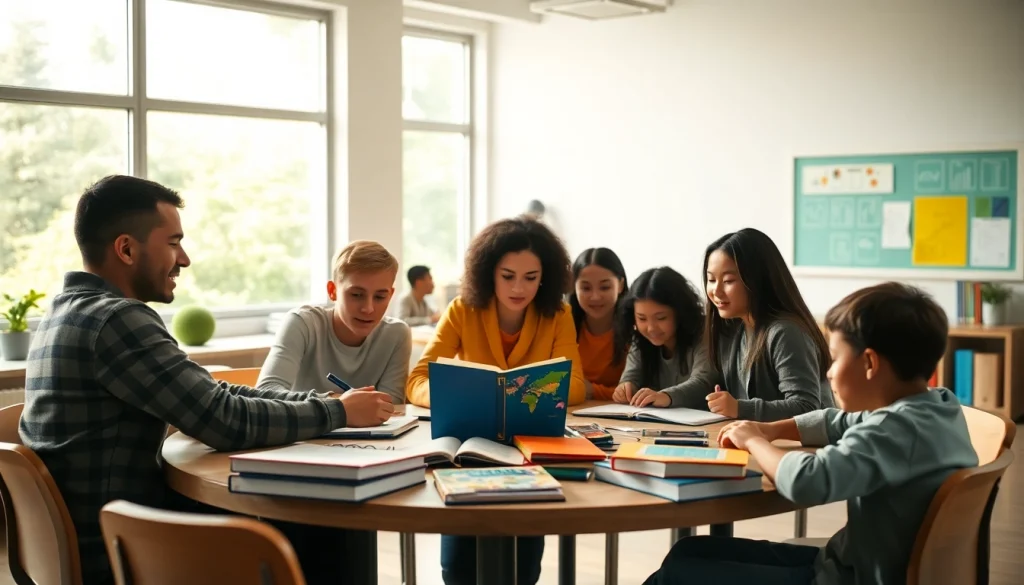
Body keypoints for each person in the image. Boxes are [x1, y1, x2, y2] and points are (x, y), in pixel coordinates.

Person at [20, 175, 394, 585]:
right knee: (329, 520)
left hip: (96, 538)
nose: (184, 259)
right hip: (124, 554)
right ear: (126, 249)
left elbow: (211, 394)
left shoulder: (66, 311)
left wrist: (323, 402)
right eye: (173, 243)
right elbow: (224, 421)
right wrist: (337, 412)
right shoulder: (117, 320)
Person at [642, 282, 979, 585]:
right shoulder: (936, 407)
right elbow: (837, 422)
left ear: (869, 364)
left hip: (847, 578)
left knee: (676, 573)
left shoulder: (891, 431)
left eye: (834, 359)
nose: (829, 373)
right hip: (850, 563)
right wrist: (770, 429)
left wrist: (753, 441)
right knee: (688, 551)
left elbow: (806, 480)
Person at [405, 215, 585, 585]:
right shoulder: (462, 309)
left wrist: (519, 393)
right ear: (489, 272)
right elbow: (417, 380)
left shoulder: (559, 314)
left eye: (531, 277)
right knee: (457, 569)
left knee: (523, 570)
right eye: (508, 276)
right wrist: (453, 398)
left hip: (529, 451)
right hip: (467, 451)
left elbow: (577, 385)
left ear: (545, 277)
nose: (519, 287)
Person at [630, 228, 833, 421]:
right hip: (757, 439)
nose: (716, 292)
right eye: (711, 280)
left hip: (804, 444)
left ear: (757, 280)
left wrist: (739, 408)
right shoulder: (733, 329)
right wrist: (667, 396)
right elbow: (708, 384)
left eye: (728, 281)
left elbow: (806, 407)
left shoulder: (785, 332)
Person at [257, 240, 412, 403]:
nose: (368, 308)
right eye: (356, 295)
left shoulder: (396, 334)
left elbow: (392, 406)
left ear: (390, 295)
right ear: (333, 291)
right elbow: (265, 393)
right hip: (305, 421)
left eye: (380, 297)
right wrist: (340, 404)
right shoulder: (303, 324)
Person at [609, 267, 705, 405]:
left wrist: (666, 396)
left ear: (680, 312)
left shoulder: (703, 332)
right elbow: (632, 376)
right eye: (642, 318)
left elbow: (704, 382)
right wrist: (625, 387)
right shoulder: (640, 338)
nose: (651, 328)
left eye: (661, 318)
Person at [569, 248, 629, 400]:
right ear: (573, 287)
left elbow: (638, 391)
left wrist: (591, 390)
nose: (595, 297)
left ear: (620, 285)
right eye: (586, 288)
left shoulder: (636, 328)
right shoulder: (564, 326)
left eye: (605, 287)